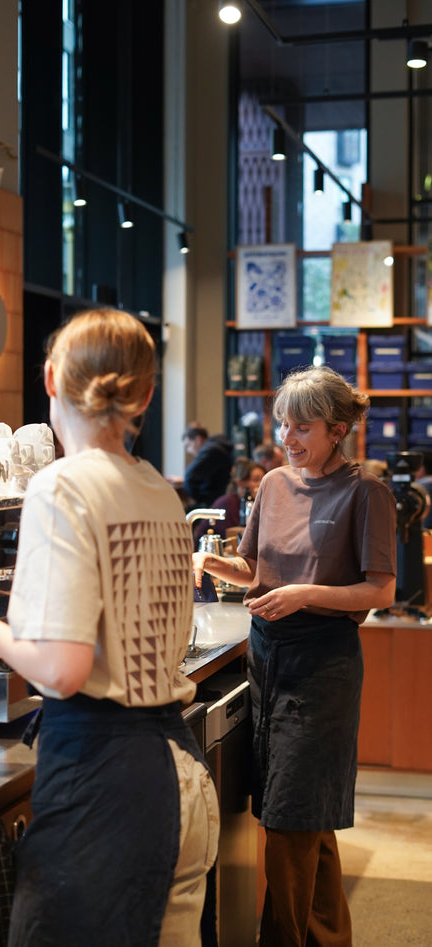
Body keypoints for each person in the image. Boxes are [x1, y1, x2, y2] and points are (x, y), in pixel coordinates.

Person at [0, 308, 219, 947]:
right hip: (180, 776)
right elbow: (110, 630)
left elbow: (64, 670)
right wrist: (9, 639)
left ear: (49, 379)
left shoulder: (60, 486)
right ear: (147, 395)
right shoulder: (157, 489)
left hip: (108, 790)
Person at [192, 366, 397, 947]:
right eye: (285, 425)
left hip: (322, 665)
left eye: (302, 427)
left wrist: (306, 593)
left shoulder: (367, 492)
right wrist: (209, 563)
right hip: (266, 657)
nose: (288, 438)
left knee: (288, 822)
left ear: (337, 429)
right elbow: (255, 571)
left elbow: (379, 591)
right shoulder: (277, 485)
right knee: (308, 820)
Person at [192, 458, 265, 550]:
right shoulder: (228, 503)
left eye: (263, 480)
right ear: (241, 483)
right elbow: (238, 537)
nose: (261, 484)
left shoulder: (254, 504)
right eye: (256, 480)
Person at [168, 422, 234, 509]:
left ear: (198, 440)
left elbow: (189, 477)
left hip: (212, 505)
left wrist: (200, 499)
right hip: (218, 501)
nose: (188, 451)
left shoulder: (210, 451)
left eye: (188, 445)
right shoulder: (217, 447)